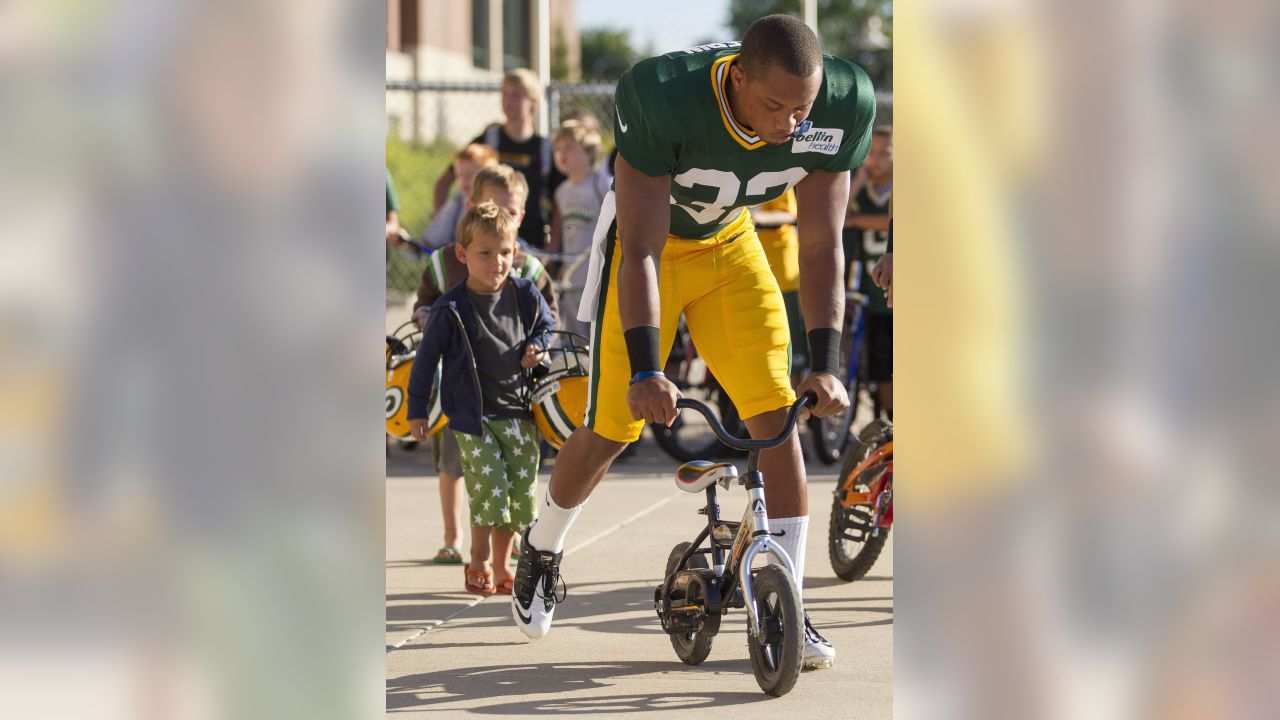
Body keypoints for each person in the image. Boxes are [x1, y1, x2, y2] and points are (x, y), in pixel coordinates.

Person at [510, 15, 876, 672]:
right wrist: (648, 367)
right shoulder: (665, 95)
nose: (791, 123)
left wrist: (825, 366)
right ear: (737, 78)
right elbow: (642, 248)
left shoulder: (845, 101)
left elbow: (822, 243)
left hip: (732, 248)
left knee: (776, 417)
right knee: (612, 430)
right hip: (650, 253)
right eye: (772, 106)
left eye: (802, 108)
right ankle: (541, 547)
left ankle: (782, 602)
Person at [411, 165, 561, 565]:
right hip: (458, 394)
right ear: (472, 207)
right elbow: (424, 301)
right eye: (491, 207)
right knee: (454, 465)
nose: (497, 260)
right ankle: (452, 535)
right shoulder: (447, 263)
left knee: (510, 477)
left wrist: (540, 347)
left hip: (512, 398)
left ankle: (502, 547)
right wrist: (426, 315)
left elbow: (550, 320)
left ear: (521, 218)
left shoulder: (526, 272)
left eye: (509, 211)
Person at [433, 69, 563, 249]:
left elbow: (559, 200)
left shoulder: (545, 148)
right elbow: (444, 182)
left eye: (516, 95)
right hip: (488, 245)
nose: (508, 101)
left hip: (533, 246)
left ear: (533, 103)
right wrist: (443, 225)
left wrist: (552, 247)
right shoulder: (489, 139)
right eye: (505, 94)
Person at [844, 127, 893, 416]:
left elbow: (869, 221)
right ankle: (887, 419)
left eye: (884, 154)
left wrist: (860, 220)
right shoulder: (862, 191)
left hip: (897, 292)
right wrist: (859, 177)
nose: (875, 161)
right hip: (871, 293)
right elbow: (841, 214)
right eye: (870, 154)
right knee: (879, 363)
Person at [550, 119, 611, 340]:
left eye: (569, 147)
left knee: (597, 334)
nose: (561, 154)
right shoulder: (561, 192)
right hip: (571, 276)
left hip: (596, 275)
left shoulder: (601, 184)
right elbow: (560, 233)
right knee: (575, 338)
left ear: (588, 152)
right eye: (557, 149)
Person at [750, 188, 806, 384]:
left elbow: (788, 213)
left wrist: (752, 218)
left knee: (792, 349)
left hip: (782, 272)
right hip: (748, 269)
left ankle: (795, 409)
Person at [420, 144, 499, 251]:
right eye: (459, 175)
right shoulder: (457, 204)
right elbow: (430, 241)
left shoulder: (499, 206)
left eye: (470, 175)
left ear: (488, 176)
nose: (463, 181)